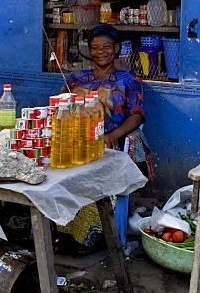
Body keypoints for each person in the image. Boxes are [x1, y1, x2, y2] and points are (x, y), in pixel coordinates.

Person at [57, 25, 151, 248]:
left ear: (116, 49)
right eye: (95, 47)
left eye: (106, 47)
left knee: (98, 183)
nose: (101, 52)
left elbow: (137, 115)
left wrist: (114, 135)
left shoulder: (128, 80)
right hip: (76, 143)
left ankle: (91, 236)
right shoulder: (76, 78)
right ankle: (64, 230)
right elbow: (60, 107)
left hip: (110, 146)